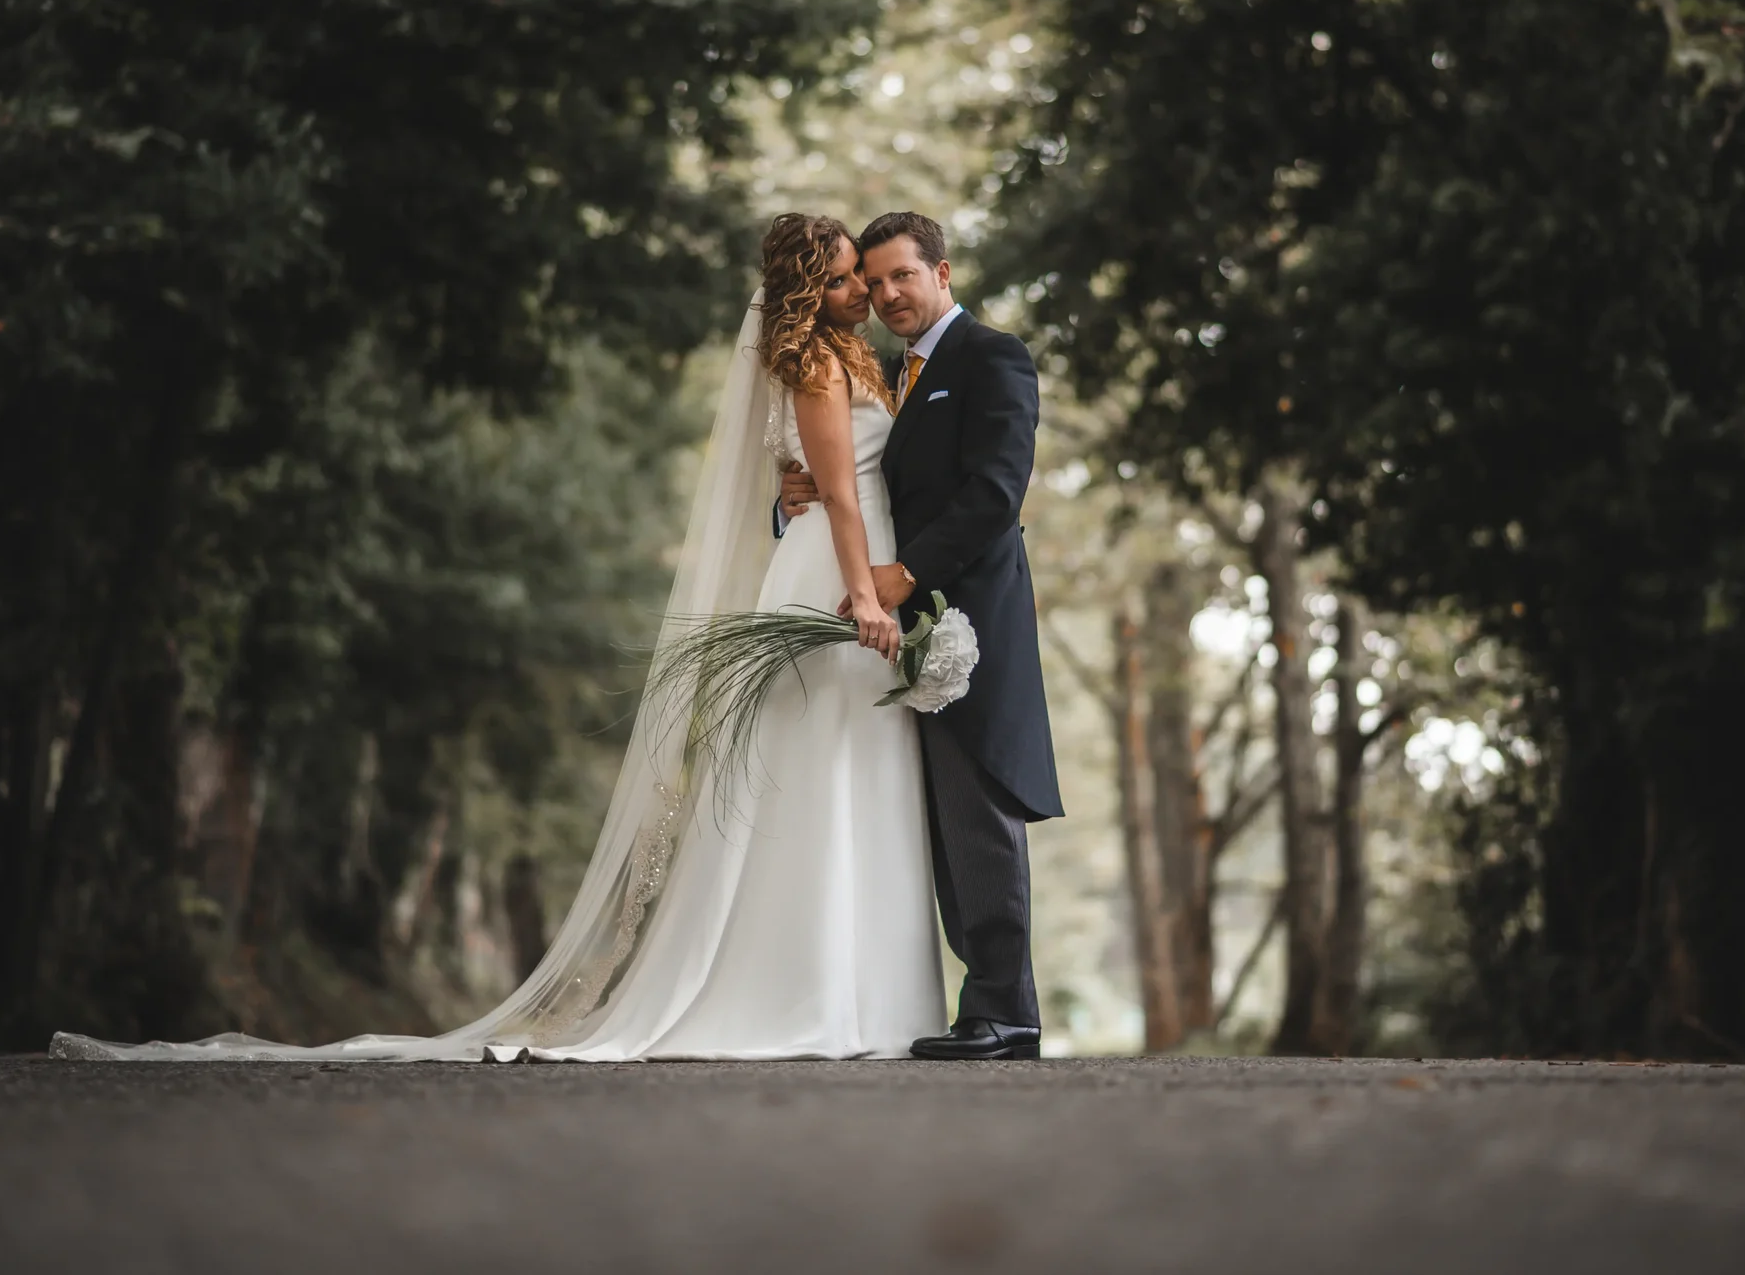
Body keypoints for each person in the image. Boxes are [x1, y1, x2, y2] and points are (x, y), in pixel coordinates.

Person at [52, 213, 948, 1061]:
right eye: (842, 281)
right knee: (817, 772)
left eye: (860, 279)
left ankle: (868, 996)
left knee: (860, 767)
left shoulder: (857, 356)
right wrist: (862, 595)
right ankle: (808, 992)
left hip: (857, 560)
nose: (861, 293)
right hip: (838, 575)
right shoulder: (816, 364)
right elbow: (837, 492)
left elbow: (839, 477)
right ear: (805, 293)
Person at [777, 211, 1061, 1061]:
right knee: (937, 826)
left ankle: (1007, 1012)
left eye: (902, 275)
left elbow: (995, 491)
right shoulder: (888, 369)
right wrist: (800, 494)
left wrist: (904, 575)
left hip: (969, 613)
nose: (885, 293)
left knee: (981, 807)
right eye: (873, 280)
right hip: (897, 629)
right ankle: (979, 1007)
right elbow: (864, 480)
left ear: (942, 272)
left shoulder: (991, 357)